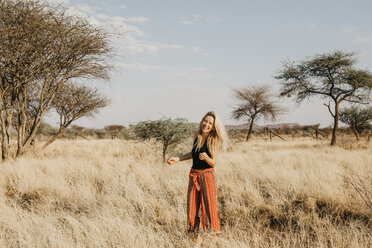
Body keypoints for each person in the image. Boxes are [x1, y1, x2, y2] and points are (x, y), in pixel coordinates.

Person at [167, 111, 229, 235]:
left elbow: (213, 162)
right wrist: (178, 159)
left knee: (209, 206)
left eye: (210, 123)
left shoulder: (213, 140)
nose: (206, 124)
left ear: (214, 126)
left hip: (207, 175)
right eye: (205, 121)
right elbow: (193, 153)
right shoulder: (197, 136)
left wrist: (206, 158)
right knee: (192, 205)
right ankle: (192, 233)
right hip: (193, 175)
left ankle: (213, 233)